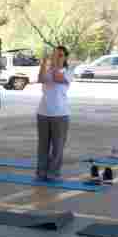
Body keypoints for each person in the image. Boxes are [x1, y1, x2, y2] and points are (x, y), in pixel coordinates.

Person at [35, 46, 73, 181]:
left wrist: (55, 64)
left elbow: (58, 78)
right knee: (43, 145)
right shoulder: (48, 70)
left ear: (66, 58)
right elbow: (40, 79)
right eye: (55, 55)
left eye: (61, 55)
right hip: (43, 113)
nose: (57, 57)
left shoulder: (68, 72)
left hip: (60, 114)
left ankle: (53, 173)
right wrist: (44, 63)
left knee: (57, 146)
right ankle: (41, 172)